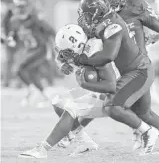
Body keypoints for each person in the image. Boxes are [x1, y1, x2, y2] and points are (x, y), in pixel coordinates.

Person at [68, 0, 159, 155]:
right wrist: (70, 60)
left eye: (87, 14)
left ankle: (147, 132)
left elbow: (108, 55)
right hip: (139, 69)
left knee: (112, 106)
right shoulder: (106, 21)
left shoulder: (112, 25)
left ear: (98, 11)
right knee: (144, 113)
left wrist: (82, 60)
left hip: (138, 72)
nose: (84, 18)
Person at [18, 24, 114, 159]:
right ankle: (85, 141)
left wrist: (85, 82)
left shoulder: (97, 51)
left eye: (69, 52)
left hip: (112, 97)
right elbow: (61, 59)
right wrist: (64, 64)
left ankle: (43, 149)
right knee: (58, 101)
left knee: (71, 108)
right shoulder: (82, 46)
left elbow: (111, 85)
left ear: (79, 45)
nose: (65, 55)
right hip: (95, 89)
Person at [10, 0, 56, 107]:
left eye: (23, 6)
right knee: (32, 74)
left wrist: (54, 47)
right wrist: (10, 39)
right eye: (18, 6)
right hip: (29, 50)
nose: (20, 9)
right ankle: (47, 98)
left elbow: (51, 31)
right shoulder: (14, 21)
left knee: (18, 69)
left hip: (40, 49)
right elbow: (14, 36)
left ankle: (31, 90)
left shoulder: (35, 19)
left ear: (27, 7)